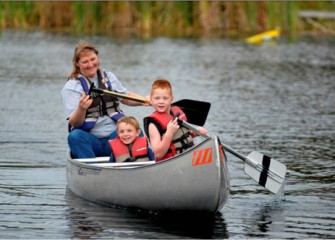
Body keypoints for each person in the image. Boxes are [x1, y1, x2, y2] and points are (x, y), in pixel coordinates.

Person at [61, 41, 149, 159]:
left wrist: (145, 100)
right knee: (74, 136)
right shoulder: (71, 87)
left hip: (115, 138)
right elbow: (74, 123)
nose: (90, 64)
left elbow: (126, 97)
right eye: (85, 62)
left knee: (136, 132)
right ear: (77, 64)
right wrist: (81, 109)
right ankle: (91, 169)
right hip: (91, 141)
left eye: (93, 59)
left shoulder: (109, 77)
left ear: (97, 57)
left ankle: (131, 164)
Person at [143, 79, 207, 162]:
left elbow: (183, 136)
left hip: (186, 157)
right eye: (157, 98)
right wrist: (169, 132)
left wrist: (195, 133)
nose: (161, 101)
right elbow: (158, 153)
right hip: (169, 163)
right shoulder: (153, 124)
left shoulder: (177, 113)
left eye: (165, 98)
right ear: (151, 100)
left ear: (171, 99)